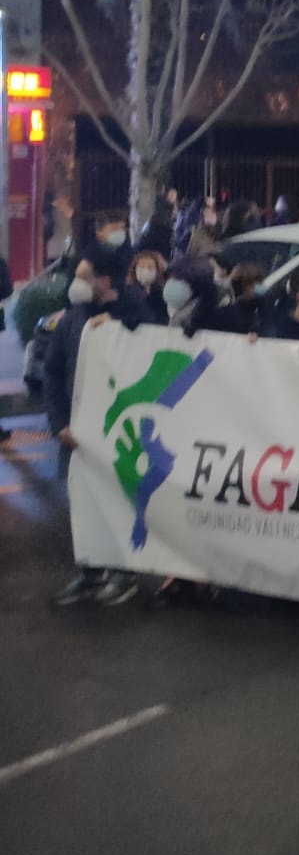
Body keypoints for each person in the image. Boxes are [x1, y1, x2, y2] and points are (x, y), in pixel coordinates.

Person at [47, 254, 135, 606]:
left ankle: (121, 572)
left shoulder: (127, 315)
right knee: (82, 504)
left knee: (115, 500)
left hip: (112, 431)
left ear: (104, 281)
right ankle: (89, 570)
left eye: (85, 277)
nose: (77, 284)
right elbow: (52, 372)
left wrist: (119, 312)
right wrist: (59, 425)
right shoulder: (70, 320)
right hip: (74, 432)